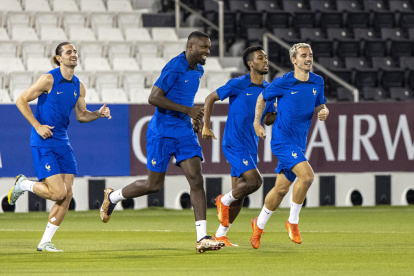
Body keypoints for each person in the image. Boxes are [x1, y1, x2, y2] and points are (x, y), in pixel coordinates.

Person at [99, 31, 225, 253]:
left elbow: (183, 97)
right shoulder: (174, 67)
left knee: (196, 180)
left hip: (184, 132)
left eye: (209, 47)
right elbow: (153, 98)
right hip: (162, 132)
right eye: (204, 47)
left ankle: (202, 237)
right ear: (190, 46)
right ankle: (114, 196)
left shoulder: (199, 69)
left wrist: (192, 119)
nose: (208, 51)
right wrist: (188, 110)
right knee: (153, 185)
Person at [8, 42, 112, 252]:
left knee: (67, 194)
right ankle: (24, 185)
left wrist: (98, 115)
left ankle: (45, 242)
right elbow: (21, 100)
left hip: (62, 141)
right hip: (43, 140)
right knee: (58, 194)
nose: (73, 55)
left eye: (74, 52)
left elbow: (81, 116)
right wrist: (37, 126)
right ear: (58, 58)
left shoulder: (78, 85)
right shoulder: (48, 79)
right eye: (68, 52)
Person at [250, 43, 329, 249]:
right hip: (282, 141)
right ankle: (292, 222)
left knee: (281, 189)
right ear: (294, 60)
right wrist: (257, 122)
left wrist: (323, 111)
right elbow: (262, 97)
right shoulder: (283, 82)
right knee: (307, 176)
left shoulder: (317, 82)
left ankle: (257, 225)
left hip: (299, 142)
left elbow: (319, 104)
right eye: (303, 56)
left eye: (310, 55)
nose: (308, 58)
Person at [202, 45, 277, 247]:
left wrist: (276, 112)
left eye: (266, 58)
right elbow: (210, 98)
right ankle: (222, 201)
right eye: (261, 58)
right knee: (255, 182)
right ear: (251, 64)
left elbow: (267, 119)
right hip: (234, 143)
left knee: (240, 195)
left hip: (251, 146)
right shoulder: (238, 84)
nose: (265, 61)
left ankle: (219, 235)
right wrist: (206, 126)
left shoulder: (269, 90)